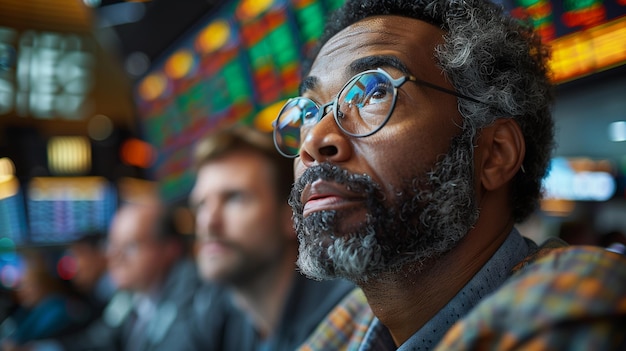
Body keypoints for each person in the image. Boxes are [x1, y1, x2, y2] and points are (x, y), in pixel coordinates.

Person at [270, 0, 626, 350]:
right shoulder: (356, 319)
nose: (313, 141)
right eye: (309, 112)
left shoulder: (578, 297)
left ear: (494, 154)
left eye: (373, 93)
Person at [189, 126, 354, 350]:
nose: (208, 222)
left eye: (234, 199)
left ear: (291, 216)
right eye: (201, 205)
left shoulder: (344, 317)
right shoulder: (220, 317)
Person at [25, 199, 218, 351]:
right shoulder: (129, 297)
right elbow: (98, 341)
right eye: (112, 245)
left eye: (130, 246)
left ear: (170, 249)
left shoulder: (198, 299)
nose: (114, 256)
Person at [66, 232, 116, 317]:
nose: (73, 266)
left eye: (79, 255)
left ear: (101, 255)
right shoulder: (96, 296)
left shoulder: (117, 294)